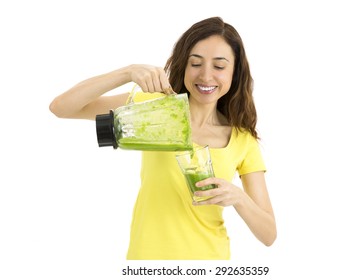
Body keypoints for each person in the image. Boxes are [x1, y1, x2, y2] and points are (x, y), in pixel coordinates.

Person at [49, 16, 277, 260]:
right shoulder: (155, 108)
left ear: (235, 72)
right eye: (196, 63)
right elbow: (62, 108)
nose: (206, 76)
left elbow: (268, 234)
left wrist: (239, 197)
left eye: (219, 66)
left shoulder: (242, 140)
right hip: (147, 262)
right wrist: (127, 72)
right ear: (184, 65)